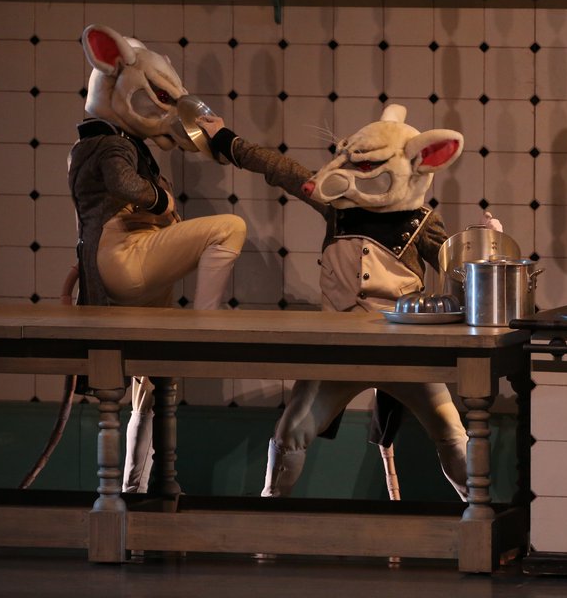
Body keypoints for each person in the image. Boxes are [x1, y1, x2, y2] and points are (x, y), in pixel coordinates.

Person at [196, 104, 473, 500]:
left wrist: (484, 245)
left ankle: (482, 516)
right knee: (291, 433)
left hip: (404, 351)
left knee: (452, 432)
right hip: (338, 350)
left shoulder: (421, 223)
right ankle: (267, 520)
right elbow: (281, 169)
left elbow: (458, 263)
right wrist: (225, 139)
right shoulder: (337, 208)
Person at [71, 24, 247, 493]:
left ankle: (136, 485)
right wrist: (160, 203)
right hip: (125, 259)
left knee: (149, 390)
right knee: (229, 227)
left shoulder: (113, 143)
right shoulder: (108, 143)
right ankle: (205, 328)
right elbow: (126, 188)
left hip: (129, 262)